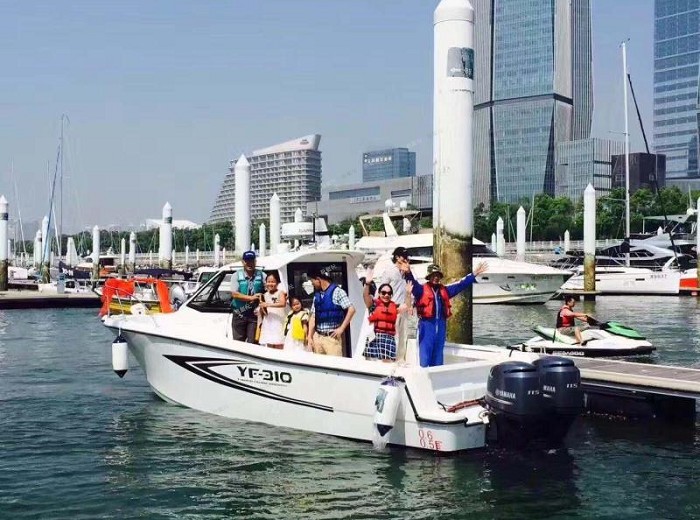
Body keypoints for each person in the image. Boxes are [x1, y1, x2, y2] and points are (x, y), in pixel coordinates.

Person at [398, 259, 488, 367]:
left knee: (438, 358)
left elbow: (460, 285)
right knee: (424, 358)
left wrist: (474, 274)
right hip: (426, 327)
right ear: (429, 277)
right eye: (433, 275)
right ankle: (423, 375)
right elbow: (412, 283)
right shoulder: (420, 290)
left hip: (441, 328)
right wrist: (408, 272)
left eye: (438, 275)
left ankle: (437, 375)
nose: (436, 278)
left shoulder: (445, 291)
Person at [307, 268, 356, 357]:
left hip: (332, 339)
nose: (312, 284)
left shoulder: (338, 292)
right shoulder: (317, 295)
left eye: (312, 281)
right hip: (318, 337)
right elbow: (313, 316)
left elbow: (351, 309)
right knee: (319, 365)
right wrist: (310, 336)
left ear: (318, 279)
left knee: (335, 364)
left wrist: (341, 329)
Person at [362, 280, 413, 361]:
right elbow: (365, 296)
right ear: (379, 293)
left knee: (387, 365)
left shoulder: (394, 307)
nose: (386, 295)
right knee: (372, 365)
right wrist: (367, 284)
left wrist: (408, 294)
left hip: (389, 339)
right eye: (383, 293)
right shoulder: (373, 305)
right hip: (374, 338)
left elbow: (407, 306)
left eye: (389, 293)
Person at [230, 250, 265, 343]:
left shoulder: (262, 275)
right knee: (238, 342)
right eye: (247, 261)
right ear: (243, 262)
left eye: (252, 261)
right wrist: (251, 298)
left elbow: (270, 288)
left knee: (253, 342)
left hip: (255, 314)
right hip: (239, 312)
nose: (249, 263)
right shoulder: (236, 275)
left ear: (255, 262)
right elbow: (234, 294)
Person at [258, 272, 288, 349]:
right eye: (268, 281)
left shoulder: (280, 292)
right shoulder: (264, 295)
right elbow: (264, 310)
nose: (270, 284)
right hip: (268, 321)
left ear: (277, 283)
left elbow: (283, 303)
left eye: (273, 282)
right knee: (269, 342)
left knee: (279, 342)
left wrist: (267, 304)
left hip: (279, 320)